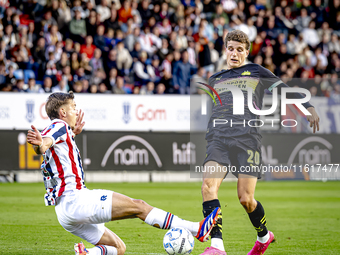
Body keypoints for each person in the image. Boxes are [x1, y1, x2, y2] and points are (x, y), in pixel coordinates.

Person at [26, 92, 220, 255]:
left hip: (64, 213)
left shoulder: (62, 130)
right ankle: (196, 229)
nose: (76, 111)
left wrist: (66, 136)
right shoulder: (59, 126)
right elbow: (46, 142)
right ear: (63, 112)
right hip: (76, 200)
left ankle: (87, 253)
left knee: (118, 248)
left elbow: (47, 144)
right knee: (139, 207)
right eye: (73, 107)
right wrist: (41, 144)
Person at [199, 30, 320, 255]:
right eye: (231, 48)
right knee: (208, 185)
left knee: (245, 198)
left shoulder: (256, 72)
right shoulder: (215, 79)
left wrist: (308, 107)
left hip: (247, 140)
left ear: (246, 52)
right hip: (218, 139)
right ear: (226, 50)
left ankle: (263, 235)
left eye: (239, 50)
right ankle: (217, 247)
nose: (234, 53)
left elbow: (285, 90)